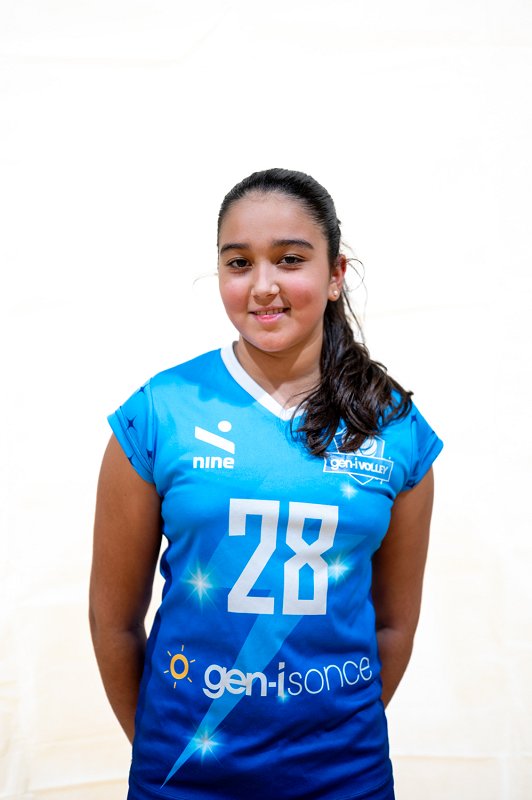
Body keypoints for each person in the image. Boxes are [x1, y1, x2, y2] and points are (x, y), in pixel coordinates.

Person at [90, 168, 443, 800]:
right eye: (238, 262)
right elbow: (112, 621)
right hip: (182, 776)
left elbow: (395, 625)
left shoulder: (394, 426)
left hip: (345, 777)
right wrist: (163, 748)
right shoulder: (160, 412)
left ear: (335, 275)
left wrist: (332, 735)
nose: (262, 286)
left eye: (290, 259)